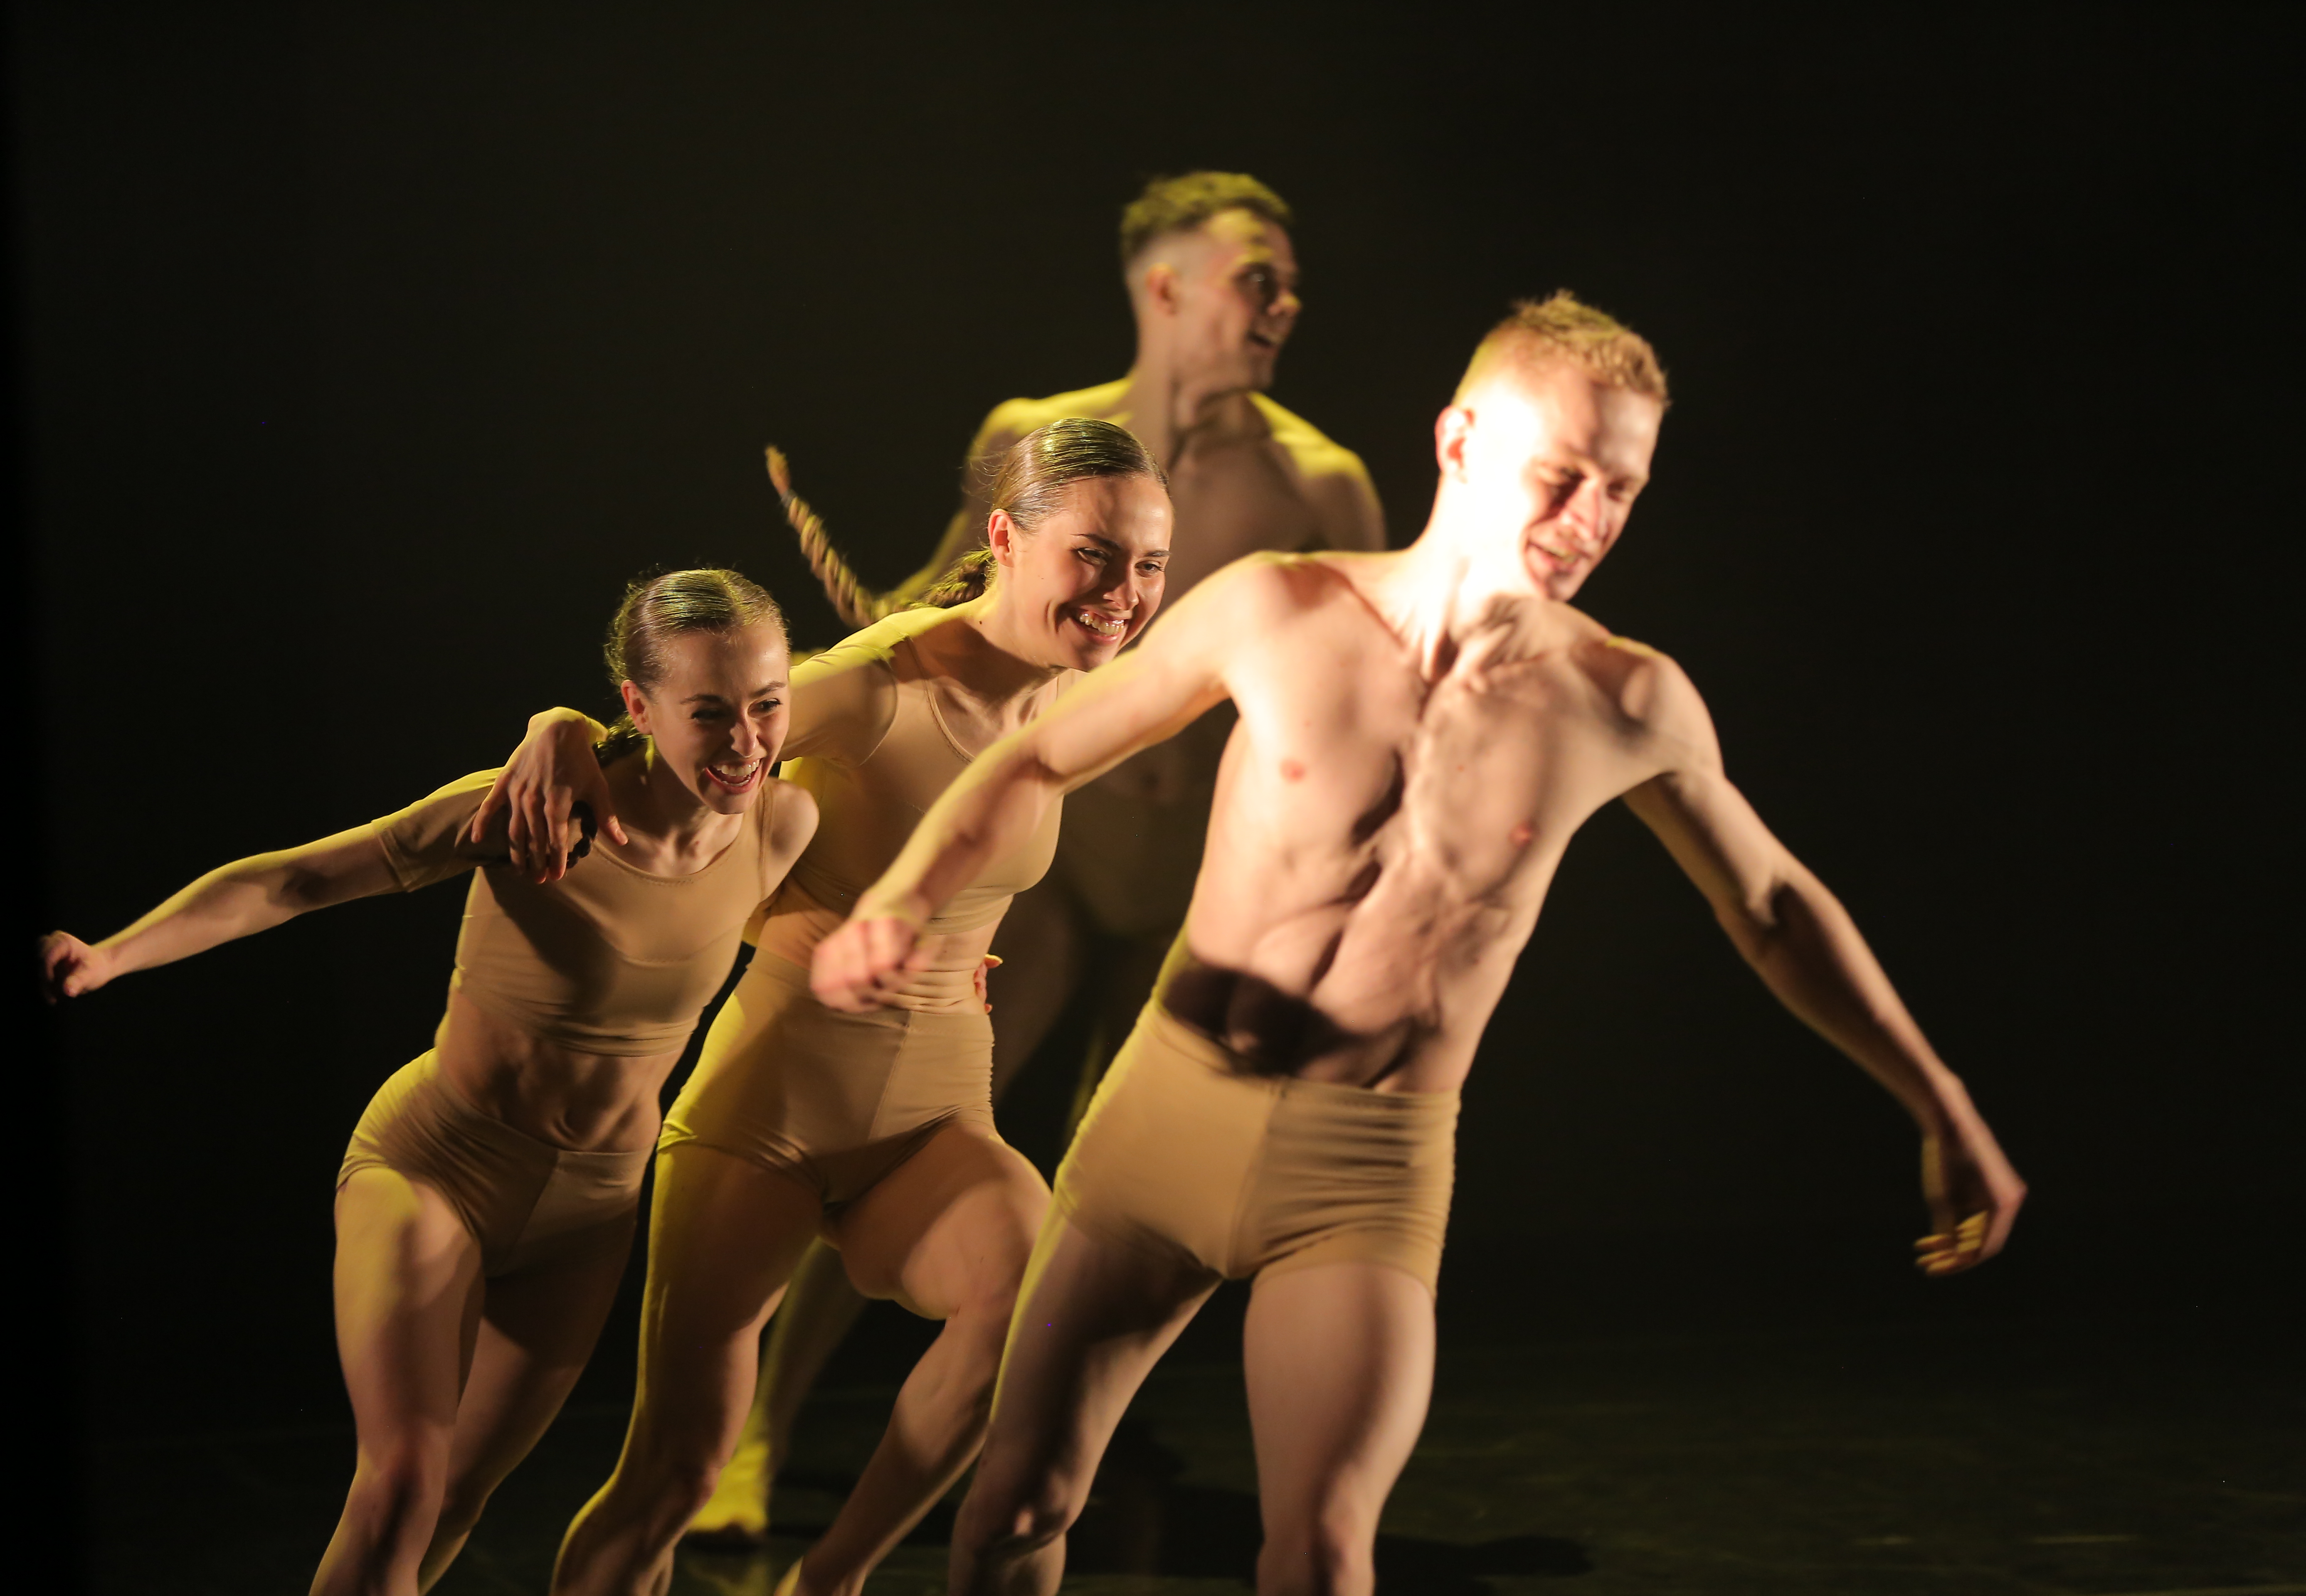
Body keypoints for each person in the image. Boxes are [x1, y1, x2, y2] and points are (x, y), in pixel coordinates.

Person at [808, 293, 2030, 1595]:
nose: (1591, 519)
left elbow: (1774, 906)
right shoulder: (1280, 607)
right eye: (1563, 476)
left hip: (1362, 1175)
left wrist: (1942, 1103)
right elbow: (1041, 754)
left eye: (1623, 490)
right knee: (1013, 1508)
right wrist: (902, 900)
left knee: (1324, 1551)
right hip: (1155, 1140)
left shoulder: (1625, 699)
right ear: (1459, 443)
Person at [690, 169, 1384, 1544]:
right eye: (1258, 277)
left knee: (1111, 1189)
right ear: (1165, 287)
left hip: (1199, 884)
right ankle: (753, 1437)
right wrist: (843, 652)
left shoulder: (1318, 480)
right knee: (903, 1144)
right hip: (1053, 866)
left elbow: (1371, 688)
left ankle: (1036, 1440)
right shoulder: (1038, 438)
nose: (1285, 305)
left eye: (1291, 283)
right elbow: (950, 604)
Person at [482, 419, 1173, 1596]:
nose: (1125, 593)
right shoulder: (879, 682)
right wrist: (562, 730)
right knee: (672, 1480)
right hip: (771, 1113)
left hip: (935, 1116)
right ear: (1006, 539)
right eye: (1096, 555)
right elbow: (690, 722)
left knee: (1030, 1310)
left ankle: (832, 1579)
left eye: (1149, 564)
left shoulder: (1074, 699)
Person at [39, 569, 816, 1595]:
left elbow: (853, 905)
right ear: (639, 706)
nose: (747, 741)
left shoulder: (785, 826)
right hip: (440, 1166)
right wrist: (110, 957)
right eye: (709, 712)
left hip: (591, 1213)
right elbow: (297, 879)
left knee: (456, 1497)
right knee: (403, 1482)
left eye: (767, 705)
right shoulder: (529, 807)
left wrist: (942, 967)